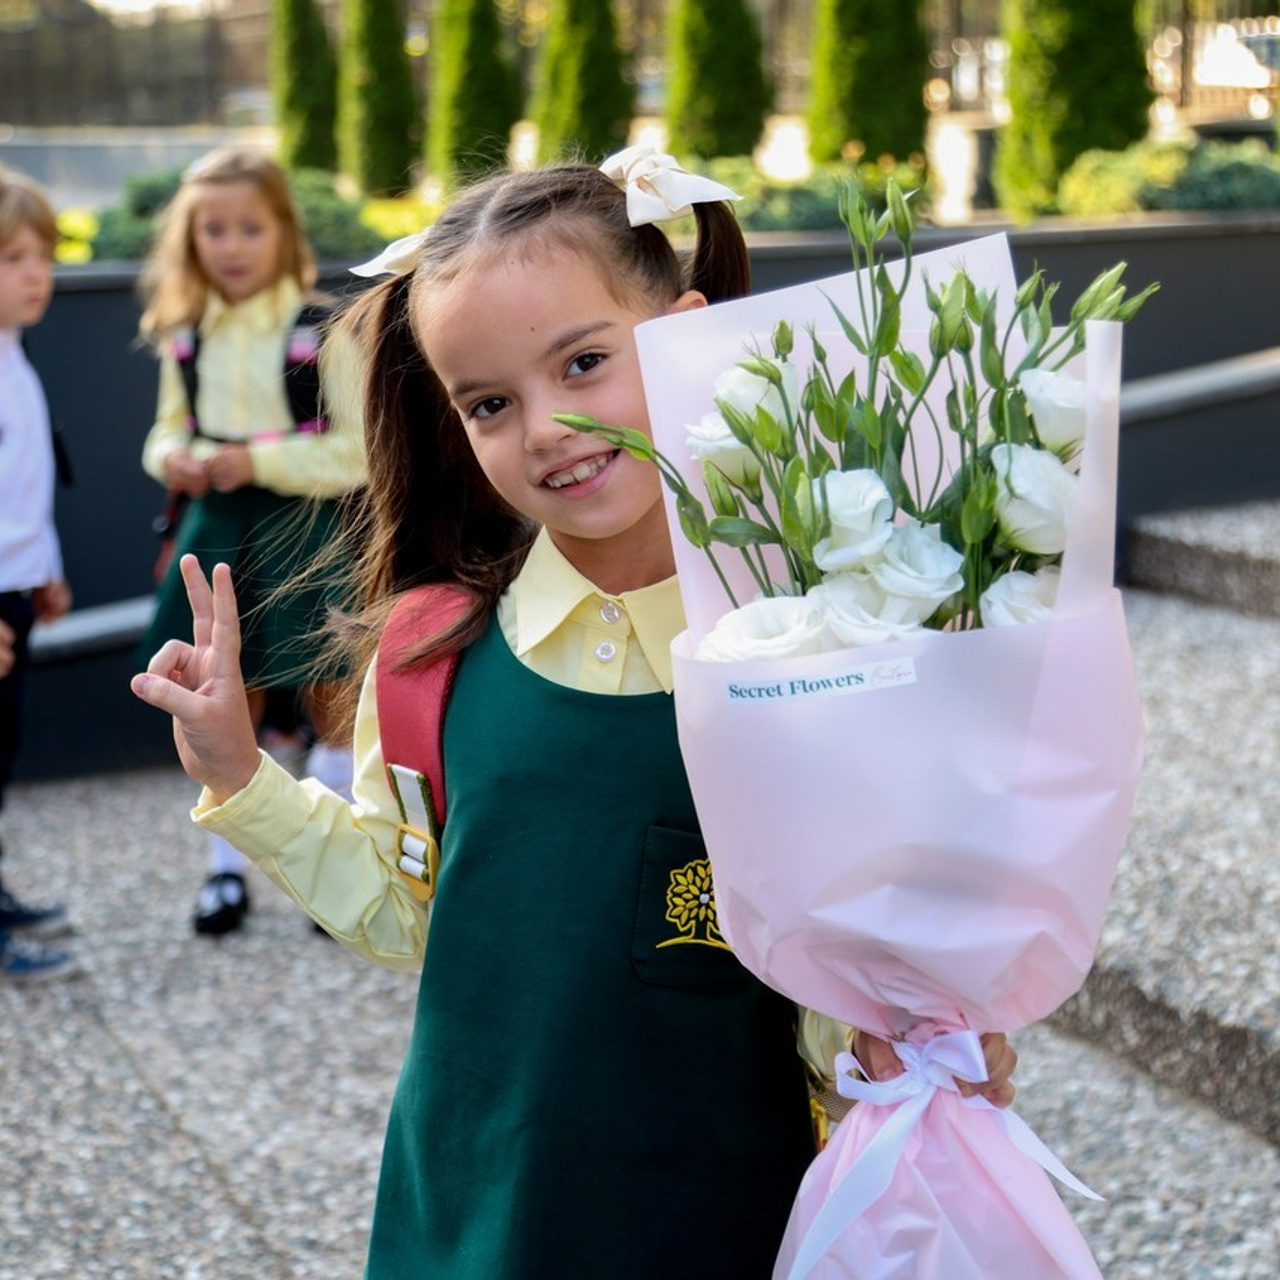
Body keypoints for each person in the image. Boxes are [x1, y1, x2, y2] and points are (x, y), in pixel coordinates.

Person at [131, 153, 1017, 1275]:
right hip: (475, 1203)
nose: (545, 427)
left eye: (584, 362)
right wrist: (239, 774)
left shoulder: (819, 647)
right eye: (489, 402)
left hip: (729, 1210)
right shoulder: (429, 654)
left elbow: (859, 954)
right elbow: (411, 909)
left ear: (693, 338)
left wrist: (932, 1033)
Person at [136, 147, 366, 935]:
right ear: (188, 241)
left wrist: (256, 459)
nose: (230, 246)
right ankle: (227, 871)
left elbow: (357, 454)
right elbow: (167, 429)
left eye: (248, 228)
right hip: (219, 528)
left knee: (329, 684)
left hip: (304, 520)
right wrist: (172, 457)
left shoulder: (323, 327)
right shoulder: (188, 333)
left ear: (284, 231)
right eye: (212, 231)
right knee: (219, 687)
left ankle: (335, 857)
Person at [0, 163, 78, 983]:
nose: (35, 273)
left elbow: (22, 486)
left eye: (42, 255)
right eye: (11, 256)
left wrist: (43, 571)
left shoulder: (15, 357)